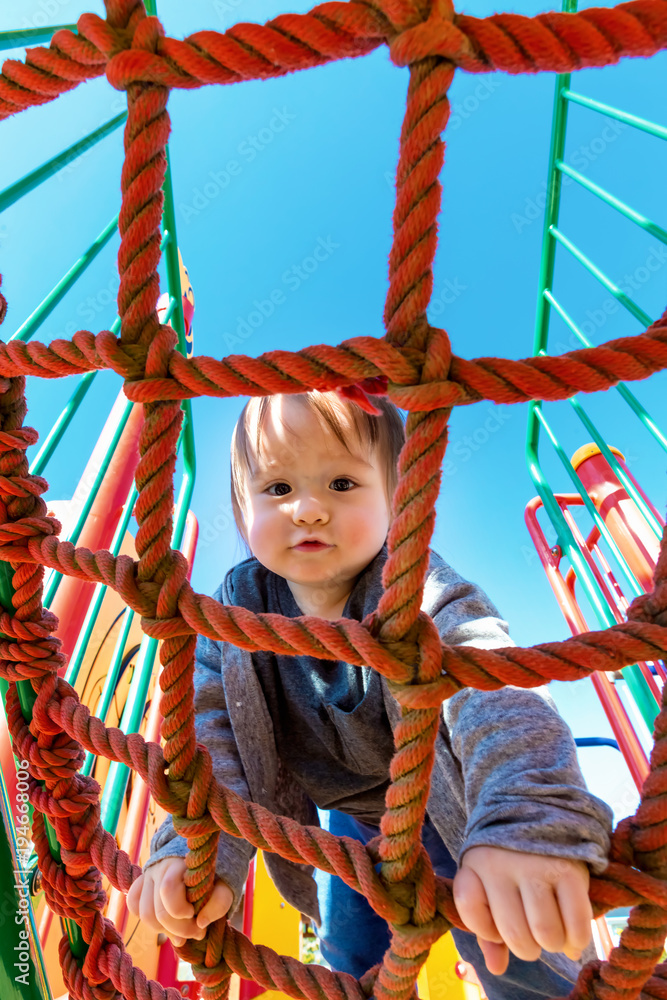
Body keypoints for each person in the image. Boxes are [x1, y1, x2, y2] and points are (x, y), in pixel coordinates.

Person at [128, 389, 612, 999]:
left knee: (510, 942)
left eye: (341, 484)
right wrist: (192, 850)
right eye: (277, 489)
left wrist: (522, 814)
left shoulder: (417, 591)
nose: (307, 509)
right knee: (350, 959)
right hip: (350, 825)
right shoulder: (227, 622)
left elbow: (491, 683)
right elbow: (210, 749)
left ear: (399, 503)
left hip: (449, 808)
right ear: (240, 504)